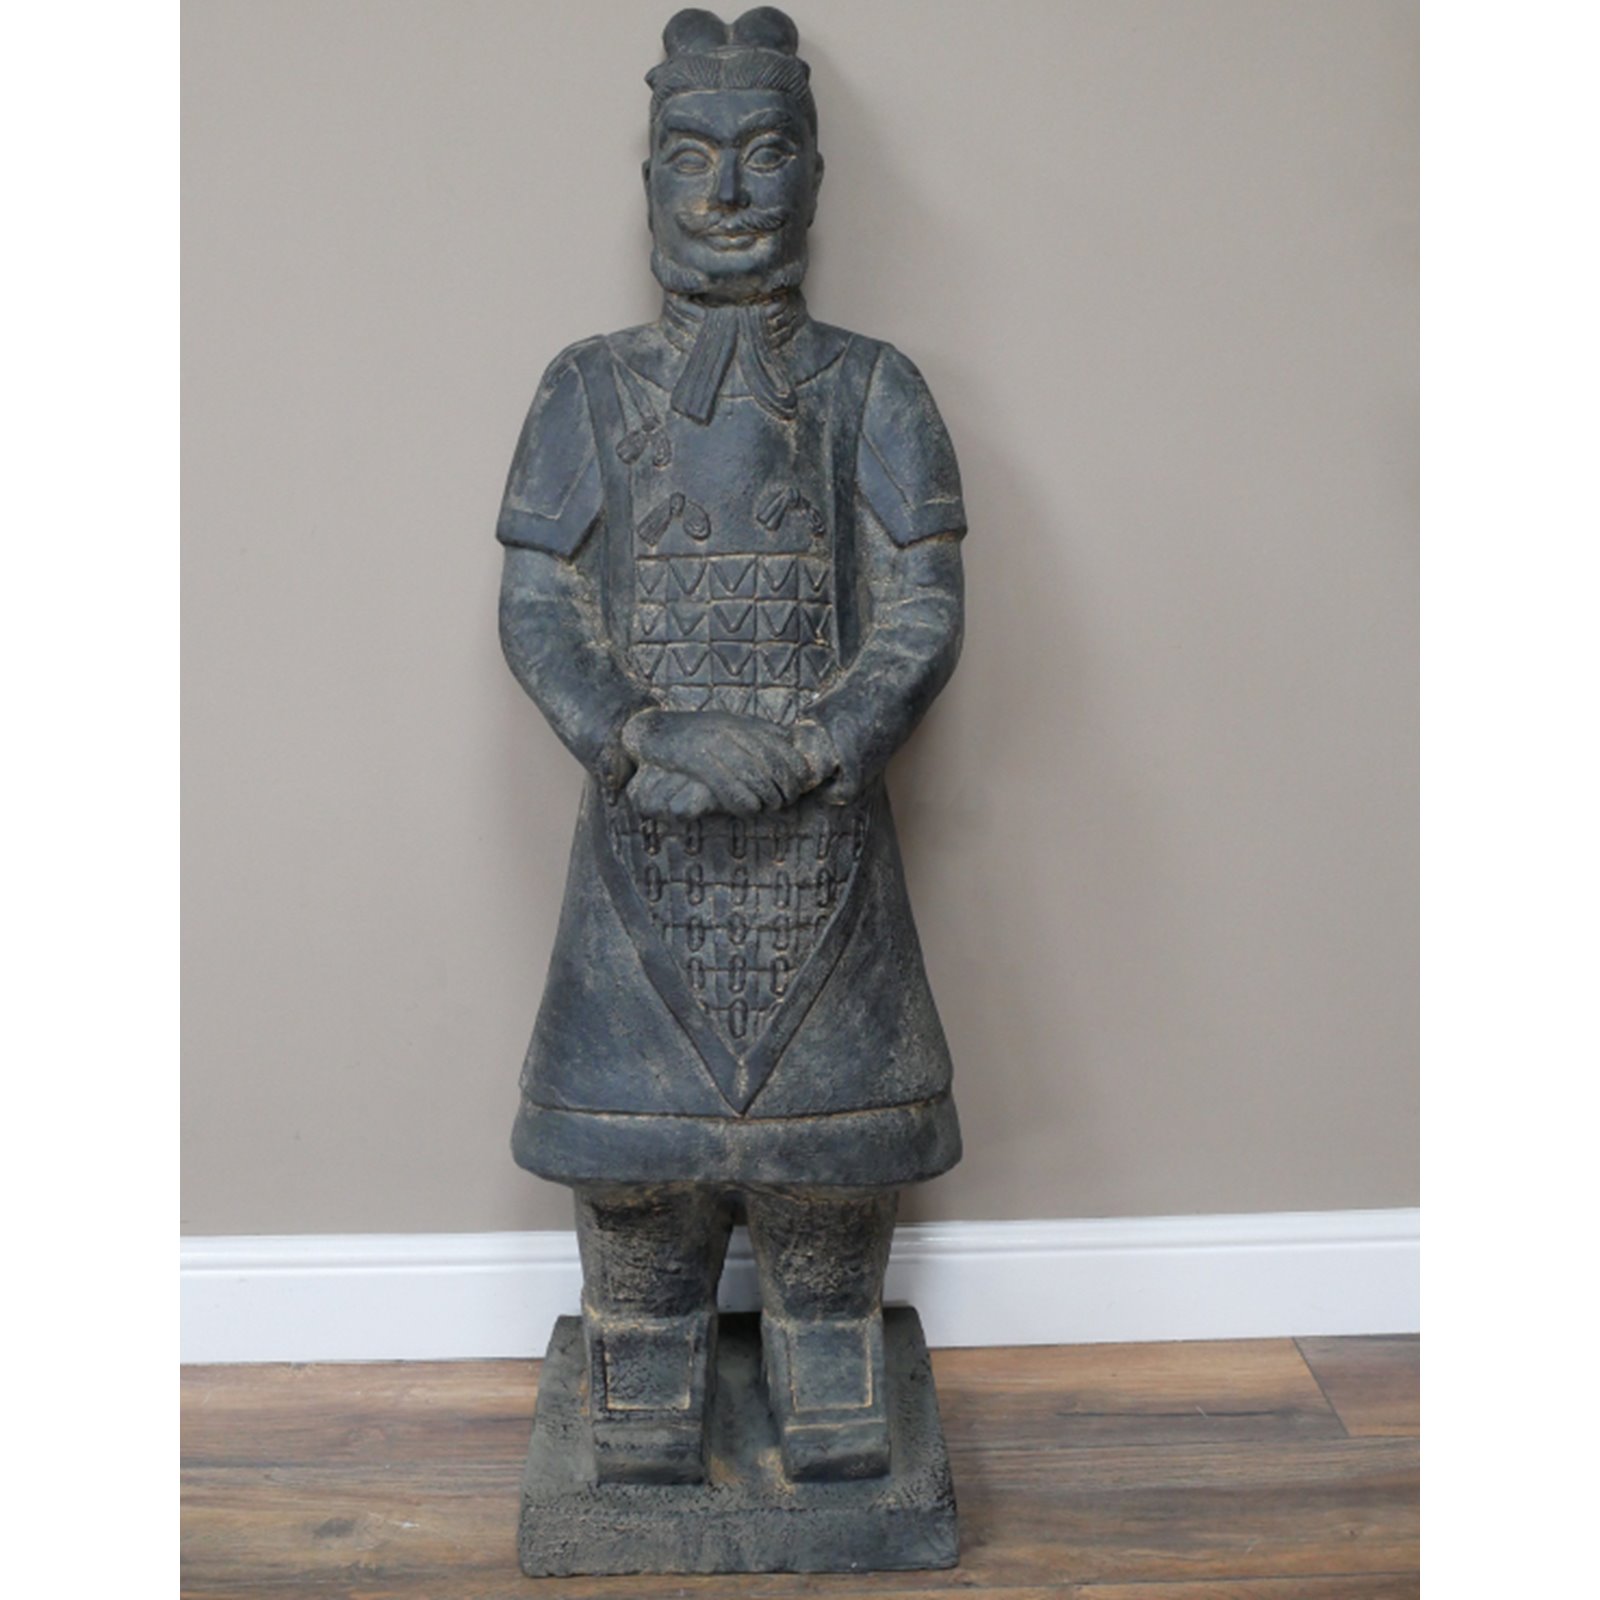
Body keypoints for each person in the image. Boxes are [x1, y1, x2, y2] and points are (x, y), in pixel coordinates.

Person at [496, 5, 966, 1485]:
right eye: (691, 157)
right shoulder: (586, 387)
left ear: (814, 176)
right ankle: (643, 1354)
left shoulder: (875, 387)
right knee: (637, 1164)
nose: (728, 192)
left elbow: (924, 604)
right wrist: (640, 731)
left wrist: (822, 739)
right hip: (645, 845)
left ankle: (830, 1343)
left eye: (766, 154)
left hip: (823, 847)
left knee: (832, 1160)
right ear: (647, 180)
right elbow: (540, 603)